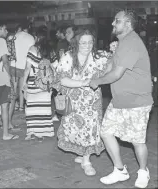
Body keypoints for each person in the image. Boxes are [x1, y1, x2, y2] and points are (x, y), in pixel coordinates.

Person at [89, 10, 153, 188]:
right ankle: (120, 170)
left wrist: (97, 81)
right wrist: (110, 57)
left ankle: (143, 171)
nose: (112, 24)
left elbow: (116, 74)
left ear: (128, 24)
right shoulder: (122, 43)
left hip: (137, 101)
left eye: (117, 21)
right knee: (106, 132)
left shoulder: (131, 42)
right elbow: (112, 67)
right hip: (119, 100)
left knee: (137, 140)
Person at [55, 29, 111, 176]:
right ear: (77, 43)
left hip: (93, 102)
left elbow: (115, 63)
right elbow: (62, 79)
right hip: (74, 101)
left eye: (90, 42)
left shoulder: (99, 57)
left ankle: (86, 161)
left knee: (90, 129)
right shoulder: (68, 57)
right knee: (76, 129)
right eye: (84, 42)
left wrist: (115, 49)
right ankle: (82, 154)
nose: (87, 45)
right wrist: (84, 82)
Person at [22, 28, 58, 142]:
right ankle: (43, 132)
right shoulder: (51, 50)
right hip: (46, 84)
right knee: (44, 109)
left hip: (34, 82)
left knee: (32, 108)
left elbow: (27, 68)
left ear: (37, 37)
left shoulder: (32, 49)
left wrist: (24, 83)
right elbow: (56, 67)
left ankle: (32, 131)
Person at [10, 23, 35, 114]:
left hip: (14, 65)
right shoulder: (31, 37)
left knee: (14, 87)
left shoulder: (14, 36)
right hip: (25, 65)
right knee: (22, 87)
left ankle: (12, 106)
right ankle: (21, 106)